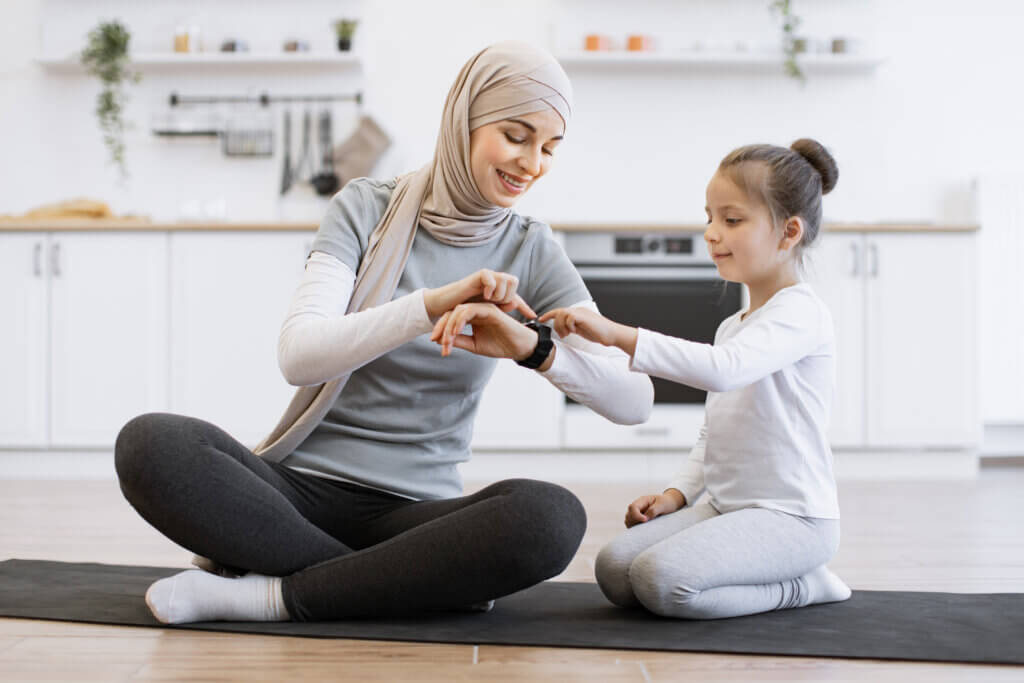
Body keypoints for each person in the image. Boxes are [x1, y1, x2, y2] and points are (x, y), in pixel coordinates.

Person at [114, 41, 653, 624]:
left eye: (550, 147)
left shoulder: (531, 247)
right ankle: (402, 582)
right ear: (464, 120)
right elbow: (299, 356)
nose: (532, 164)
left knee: (551, 517)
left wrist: (534, 348)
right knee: (151, 444)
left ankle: (274, 595)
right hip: (297, 495)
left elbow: (635, 400)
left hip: (417, 514)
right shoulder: (366, 208)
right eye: (517, 136)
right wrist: (427, 307)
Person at [540, 139, 852, 619]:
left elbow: (723, 371)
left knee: (661, 582)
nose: (711, 232)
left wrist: (617, 334)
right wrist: (677, 494)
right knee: (615, 569)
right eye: (709, 217)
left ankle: (804, 585)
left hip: (793, 520)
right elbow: (715, 432)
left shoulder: (802, 313)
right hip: (727, 508)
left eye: (731, 220)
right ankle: (737, 562)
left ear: (789, 232)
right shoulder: (734, 326)